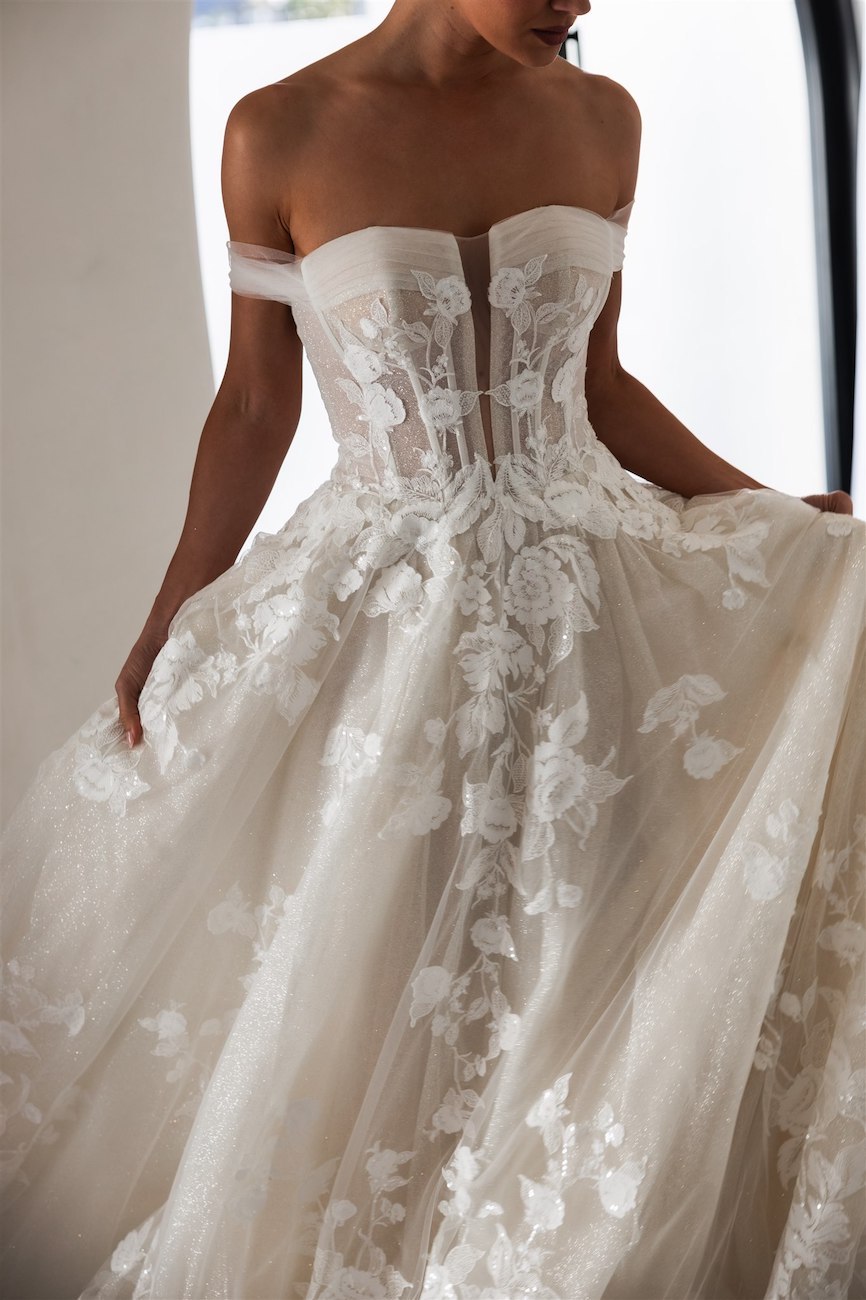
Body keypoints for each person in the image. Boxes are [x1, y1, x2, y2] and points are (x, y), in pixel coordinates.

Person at [2, 2, 863, 1297]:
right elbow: (254, 399)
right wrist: (172, 607)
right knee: (388, 963)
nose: (581, 6)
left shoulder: (601, 117)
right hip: (381, 619)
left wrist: (761, 506)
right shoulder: (277, 129)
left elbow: (601, 385)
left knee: (574, 932)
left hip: (590, 609)